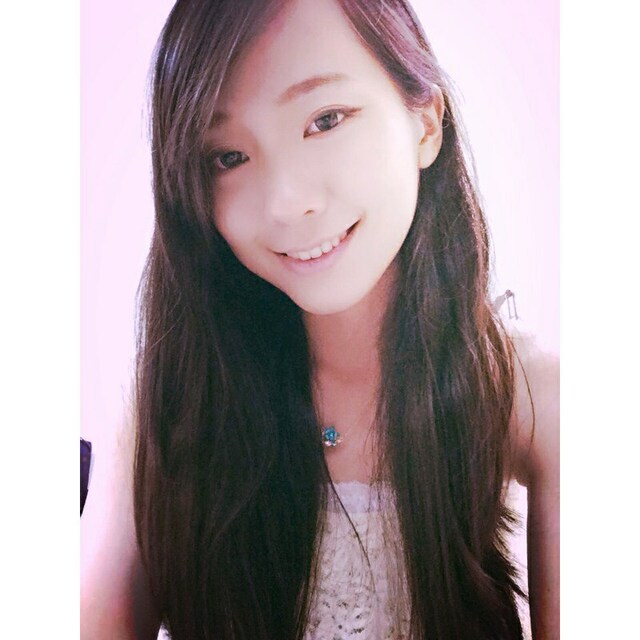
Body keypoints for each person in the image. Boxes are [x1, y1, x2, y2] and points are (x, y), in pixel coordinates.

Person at [81, 0, 559, 638]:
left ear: (425, 121)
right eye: (228, 157)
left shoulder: (533, 398)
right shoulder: (171, 402)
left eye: (325, 120)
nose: (286, 202)